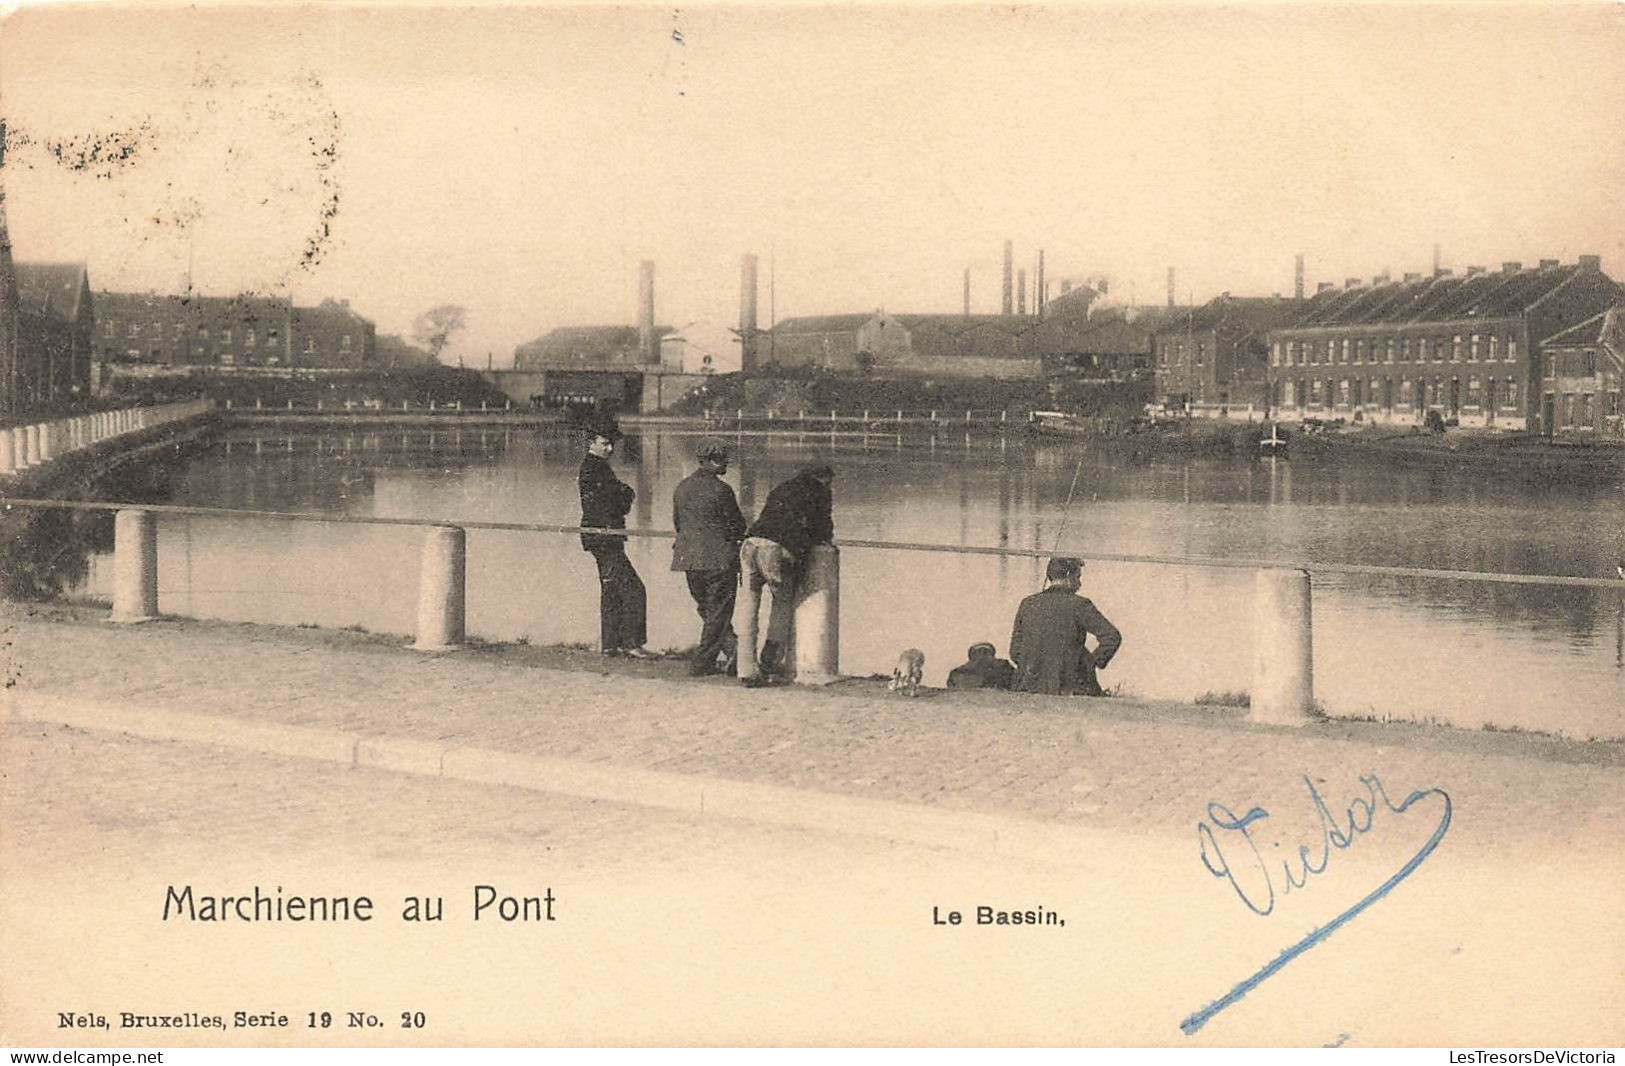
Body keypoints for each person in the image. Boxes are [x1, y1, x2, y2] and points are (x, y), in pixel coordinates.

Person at [736, 463, 835, 686]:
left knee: (749, 607)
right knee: (781, 604)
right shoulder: (820, 492)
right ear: (824, 478)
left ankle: (745, 670)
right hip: (775, 550)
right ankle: (769, 664)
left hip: (750, 545)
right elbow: (822, 527)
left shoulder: (783, 487)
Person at [577, 420, 653, 659]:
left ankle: (611, 645)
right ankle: (632, 643)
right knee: (633, 589)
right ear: (592, 443)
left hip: (599, 536)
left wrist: (622, 495)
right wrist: (625, 494)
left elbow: (616, 497)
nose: (610, 449)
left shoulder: (594, 466)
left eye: (612, 444)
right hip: (605, 537)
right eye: (605, 443)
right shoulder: (596, 468)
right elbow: (618, 500)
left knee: (611, 589)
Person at [671, 438, 746, 677]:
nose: (726, 462)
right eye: (722, 458)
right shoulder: (722, 490)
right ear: (709, 461)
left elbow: (678, 523)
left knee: (708, 609)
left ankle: (735, 652)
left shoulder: (682, 487)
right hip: (718, 559)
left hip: (689, 559)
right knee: (718, 611)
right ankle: (702, 663)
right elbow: (737, 525)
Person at [1009, 556, 1121, 696]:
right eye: (1078, 577)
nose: (1080, 584)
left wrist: (1037, 663)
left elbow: (1015, 651)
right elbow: (1112, 636)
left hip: (1027, 685)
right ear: (1069, 577)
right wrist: (1090, 663)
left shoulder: (1027, 603)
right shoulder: (1080, 604)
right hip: (1068, 685)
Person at [946, 642, 1016, 690]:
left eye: (985, 652)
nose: (982, 655)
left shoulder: (1004, 667)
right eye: (978, 652)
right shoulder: (958, 673)